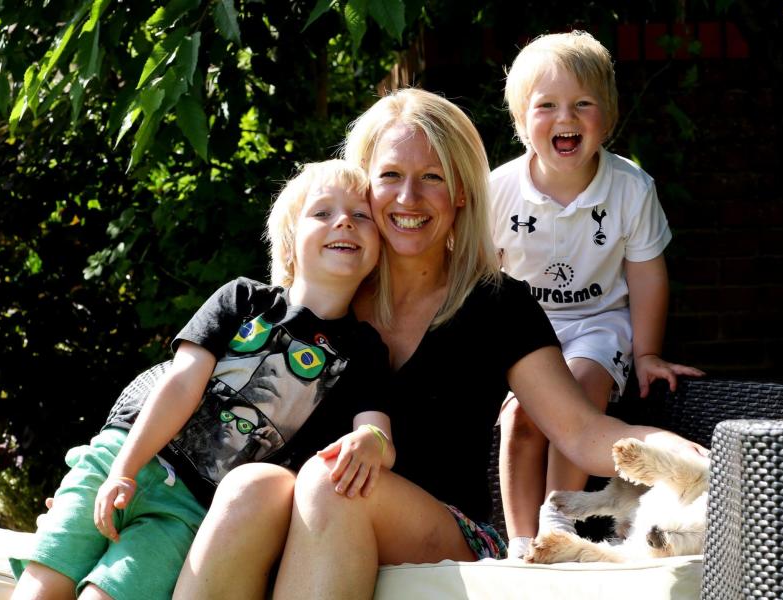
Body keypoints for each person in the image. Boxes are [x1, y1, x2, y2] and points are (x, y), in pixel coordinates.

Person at [175, 87, 707, 599]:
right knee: (251, 486)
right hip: (312, 520)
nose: (409, 198)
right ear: (365, 185)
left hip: (444, 530)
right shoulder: (331, 294)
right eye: (390, 176)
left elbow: (583, 430)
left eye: (432, 177)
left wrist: (686, 456)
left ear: (460, 193)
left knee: (329, 478)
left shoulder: (498, 304)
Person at [9, 159, 396, 600]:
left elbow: (377, 432)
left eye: (360, 215)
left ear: (378, 247)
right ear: (289, 243)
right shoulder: (242, 298)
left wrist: (370, 442)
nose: (344, 221)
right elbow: (179, 384)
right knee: (40, 589)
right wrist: (125, 468)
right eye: (323, 212)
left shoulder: (364, 351)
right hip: (124, 456)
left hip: (190, 511)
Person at [489, 30, 706, 558]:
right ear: (520, 122)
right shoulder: (498, 190)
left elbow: (646, 273)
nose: (565, 117)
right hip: (526, 330)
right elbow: (483, 279)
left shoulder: (630, 188)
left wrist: (647, 353)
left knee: (581, 388)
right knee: (521, 415)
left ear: (607, 117)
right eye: (546, 106)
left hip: (597, 322)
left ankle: (555, 519)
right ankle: (520, 543)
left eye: (582, 104)